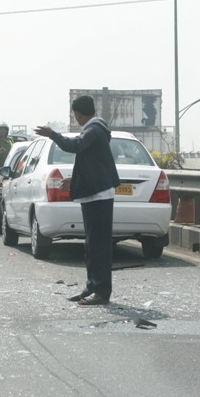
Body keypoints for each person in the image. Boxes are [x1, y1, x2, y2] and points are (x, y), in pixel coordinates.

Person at [34, 95, 120, 306]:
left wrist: (52, 134)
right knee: (91, 245)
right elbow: (93, 164)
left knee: (99, 246)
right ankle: (91, 287)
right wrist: (75, 180)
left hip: (99, 196)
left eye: (76, 115)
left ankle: (101, 292)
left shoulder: (94, 130)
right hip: (93, 194)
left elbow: (75, 146)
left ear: (79, 114)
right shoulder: (95, 130)